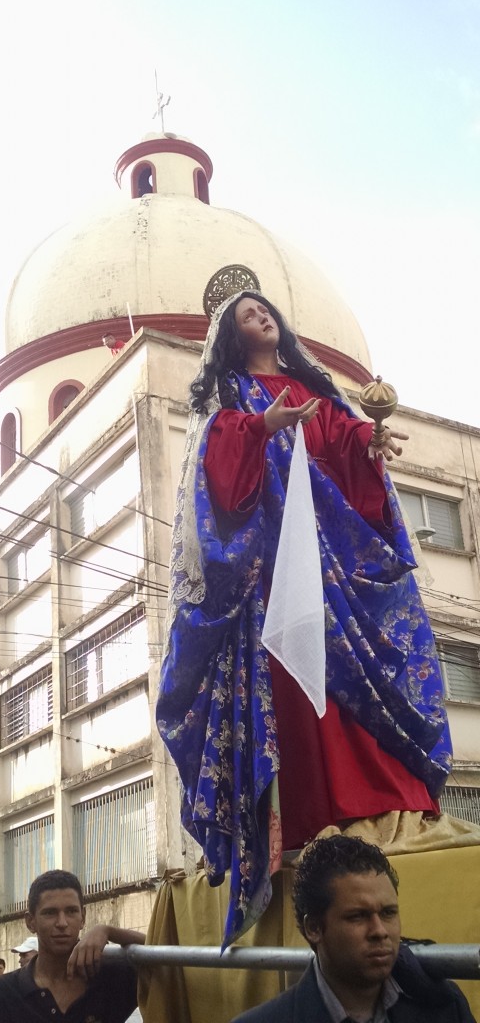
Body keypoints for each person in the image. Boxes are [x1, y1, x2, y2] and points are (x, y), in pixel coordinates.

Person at [157, 291, 453, 948]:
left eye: (264, 311)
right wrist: (262, 428)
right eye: (244, 317)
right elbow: (216, 470)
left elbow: (344, 449)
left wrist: (369, 442)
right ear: (230, 339)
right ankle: (305, 817)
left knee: (359, 672)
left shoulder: (306, 388)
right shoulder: (231, 398)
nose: (259, 318)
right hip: (269, 571)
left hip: (331, 562)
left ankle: (377, 802)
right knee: (289, 683)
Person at [231, 834, 475, 1022]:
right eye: (358, 916)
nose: (380, 931)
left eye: (388, 913)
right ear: (314, 927)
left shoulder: (444, 1006)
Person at [0, 868, 145, 1022]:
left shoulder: (111, 979)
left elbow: (166, 950)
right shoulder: (2, 995)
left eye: (71, 911)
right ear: (30, 922)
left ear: (83, 917)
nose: (62, 923)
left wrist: (109, 931)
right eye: (50, 913)